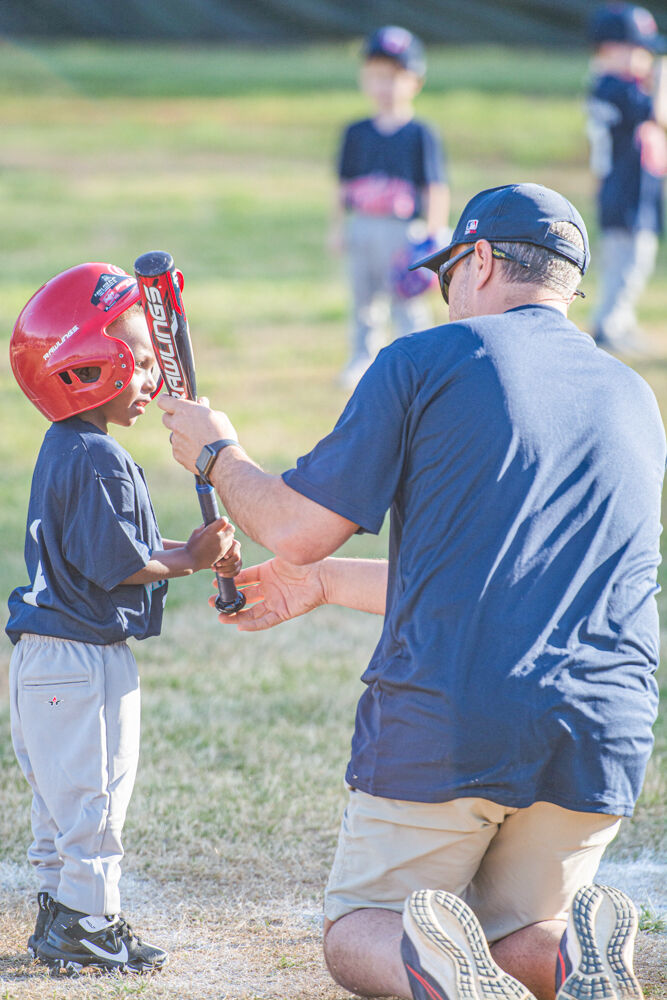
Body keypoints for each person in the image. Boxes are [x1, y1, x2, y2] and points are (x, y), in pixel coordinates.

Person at [159, 183, 664, 1000]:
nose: (444, 294)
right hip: (603, 728)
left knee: (364, 927)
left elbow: (293, 527)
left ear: (483, 260)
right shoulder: (632, 397)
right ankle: (569, 959)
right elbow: (502, 580)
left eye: (446, 272)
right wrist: (320, 586)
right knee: (517, 931)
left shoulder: (428, 360)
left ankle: (447, 972)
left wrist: (217, 455)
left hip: (455, 715)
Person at [6, 263, 241, 975]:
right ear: (89, 368)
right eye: (138, 364)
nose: (150, 381)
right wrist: (194, 558)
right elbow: (120, 564)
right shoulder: (100, 458)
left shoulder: (67, 448)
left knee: (63, 802)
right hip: (81, 661)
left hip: (43, 657)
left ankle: (61, 911)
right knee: (96, 801)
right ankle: (90, 924)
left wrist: (191, 551)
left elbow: (109, 552)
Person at [329, 25, 450, 389]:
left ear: (416, 82)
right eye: (377, 76)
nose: (385, 86)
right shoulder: (356, 132)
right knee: (364, 297)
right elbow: (343, 185)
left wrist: (433, 235)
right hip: (363, 224)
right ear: (364, 79)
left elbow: (435, 187)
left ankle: (420, 363)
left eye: (396, 77)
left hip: (403, 230)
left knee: (406, 298)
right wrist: (337, 227)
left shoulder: (421, 134)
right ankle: (362, 357)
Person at [587, 2, 667, 353]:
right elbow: (659, 115)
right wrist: (661, 76)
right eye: (637, 51)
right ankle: (609, 323)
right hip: (624, 190)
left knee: (631, 259)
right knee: (628, 260)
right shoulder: (616, 88)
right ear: (609, 50)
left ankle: (619, 319)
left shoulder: (606, 86)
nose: (645, 59)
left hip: (626, 188)